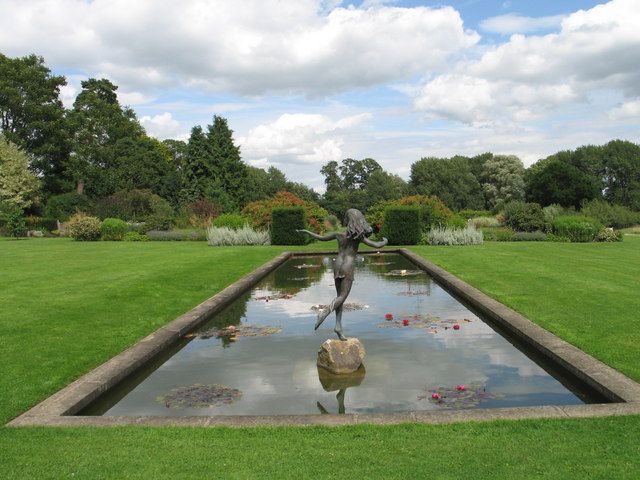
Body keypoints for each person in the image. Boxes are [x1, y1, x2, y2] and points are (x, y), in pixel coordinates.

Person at [297, 209, 387, 340]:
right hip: (347, 266)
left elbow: (320, 238)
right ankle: (324, 312)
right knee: (343, 296)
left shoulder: (339, 234)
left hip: (337, 265)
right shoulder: (358, 237)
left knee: (340, 297)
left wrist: (306, 232)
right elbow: (377, 245)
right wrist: (385, 241)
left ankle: (338, 327)